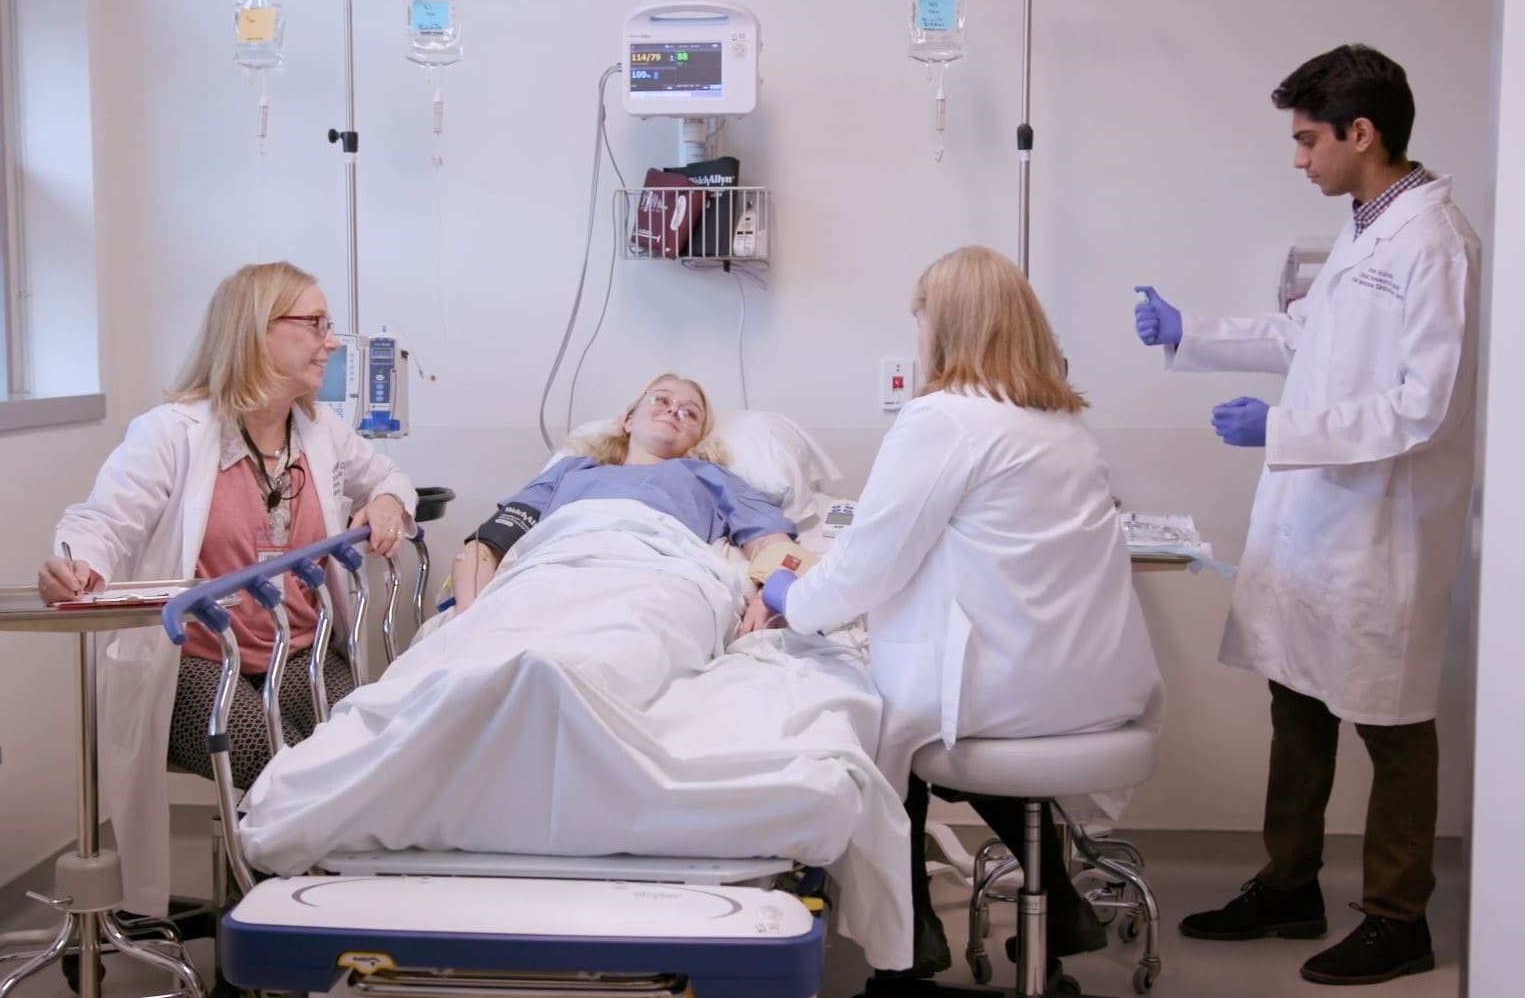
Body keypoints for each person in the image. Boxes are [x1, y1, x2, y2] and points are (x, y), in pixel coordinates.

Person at [1132, 45, 1480, 987]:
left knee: (1392, 726)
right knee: (1296, 699)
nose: (1298, 159)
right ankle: (1288, 886)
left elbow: (1425, 405)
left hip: (1380, 529)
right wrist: (1193, 332)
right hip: (1319, 519)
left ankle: (1398, 919)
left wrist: (1281, 428)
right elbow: (1305, 338)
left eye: (1306, 140)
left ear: (1359, 133)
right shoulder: (1366, 232)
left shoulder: (1434, 242)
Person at [761, 246, 1163, 982]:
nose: (917, 335)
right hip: (1095, 687)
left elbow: (871, 560)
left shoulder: (942, 420)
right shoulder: (1062, 422)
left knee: (878, 721)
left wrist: (791, 600)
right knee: (920, 716)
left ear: (945, 326)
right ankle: (1060, 903)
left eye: (920, 319)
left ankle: (907, 956)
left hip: (1006, 693)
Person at [37, 261, 418, 918]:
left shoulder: (319, 430)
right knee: (277, 767)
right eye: (315, 323)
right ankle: (277, 929)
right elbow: (100, 523)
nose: (330, 341)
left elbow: (390, 478)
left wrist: (386, 502)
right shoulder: (171, 433)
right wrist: (76, 564)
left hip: (300, 655)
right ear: (256, 331)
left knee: (372, 755)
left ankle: (337, 916)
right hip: (195, 665)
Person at [450, 373, 797, 630]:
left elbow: (772, 541)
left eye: (690, 413)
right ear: (629, 419)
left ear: (697, 439)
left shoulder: (710, 477)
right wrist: (470, 619)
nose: (674, 410)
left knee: (621, 645)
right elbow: (484, 547)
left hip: (659, 575)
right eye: (660, 399)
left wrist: (769, 595)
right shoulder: (570, 470)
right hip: (554, 569)